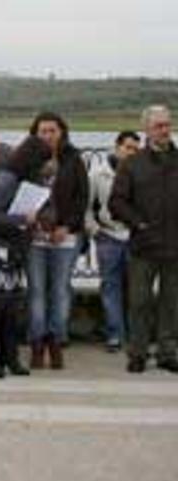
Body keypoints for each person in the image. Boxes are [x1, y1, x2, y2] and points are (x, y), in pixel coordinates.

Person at [0, 136, 50, 378]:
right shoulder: (7, 180)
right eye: (44, 161)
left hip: (12, 249)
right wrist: (23, 220)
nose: (47, 166)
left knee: (12, 310)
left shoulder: (27, 180)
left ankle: (9, 357)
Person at [110, 105, 178, 374]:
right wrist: (138, 222)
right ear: (147, 129)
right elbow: (117, 201)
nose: (164, 130)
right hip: (143, 245)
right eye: (159, 126)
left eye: (167, 124)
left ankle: (167, 352)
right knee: (139, 302)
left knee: (172, 302)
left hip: (175, 245)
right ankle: (137, 352)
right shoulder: (132, 164)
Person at [25, 112, 89, 370]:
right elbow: (20, 193)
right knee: (37, 292)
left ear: (62, 132)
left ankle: (56, 339)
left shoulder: (74, 159)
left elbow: (82, 198)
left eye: (53, 130)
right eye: (43, 131)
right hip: (35, 236)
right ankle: (38, 343)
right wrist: (31, 222)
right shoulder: (27, 160)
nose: (48, 135)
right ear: (35, 133)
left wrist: (67, 225)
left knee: (61, 290)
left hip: (65, 236)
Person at [86, 131, 140, 352]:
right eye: (128, 147)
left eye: (136, 149)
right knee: (111, 288)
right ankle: (115, 335)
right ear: (116, 147)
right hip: (108, 237)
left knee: (137, 290)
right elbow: (86, 207)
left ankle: (136, 337)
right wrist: (95, 231)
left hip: (136, 238)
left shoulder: (142, 173)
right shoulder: (98, 174)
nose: (132, 152)